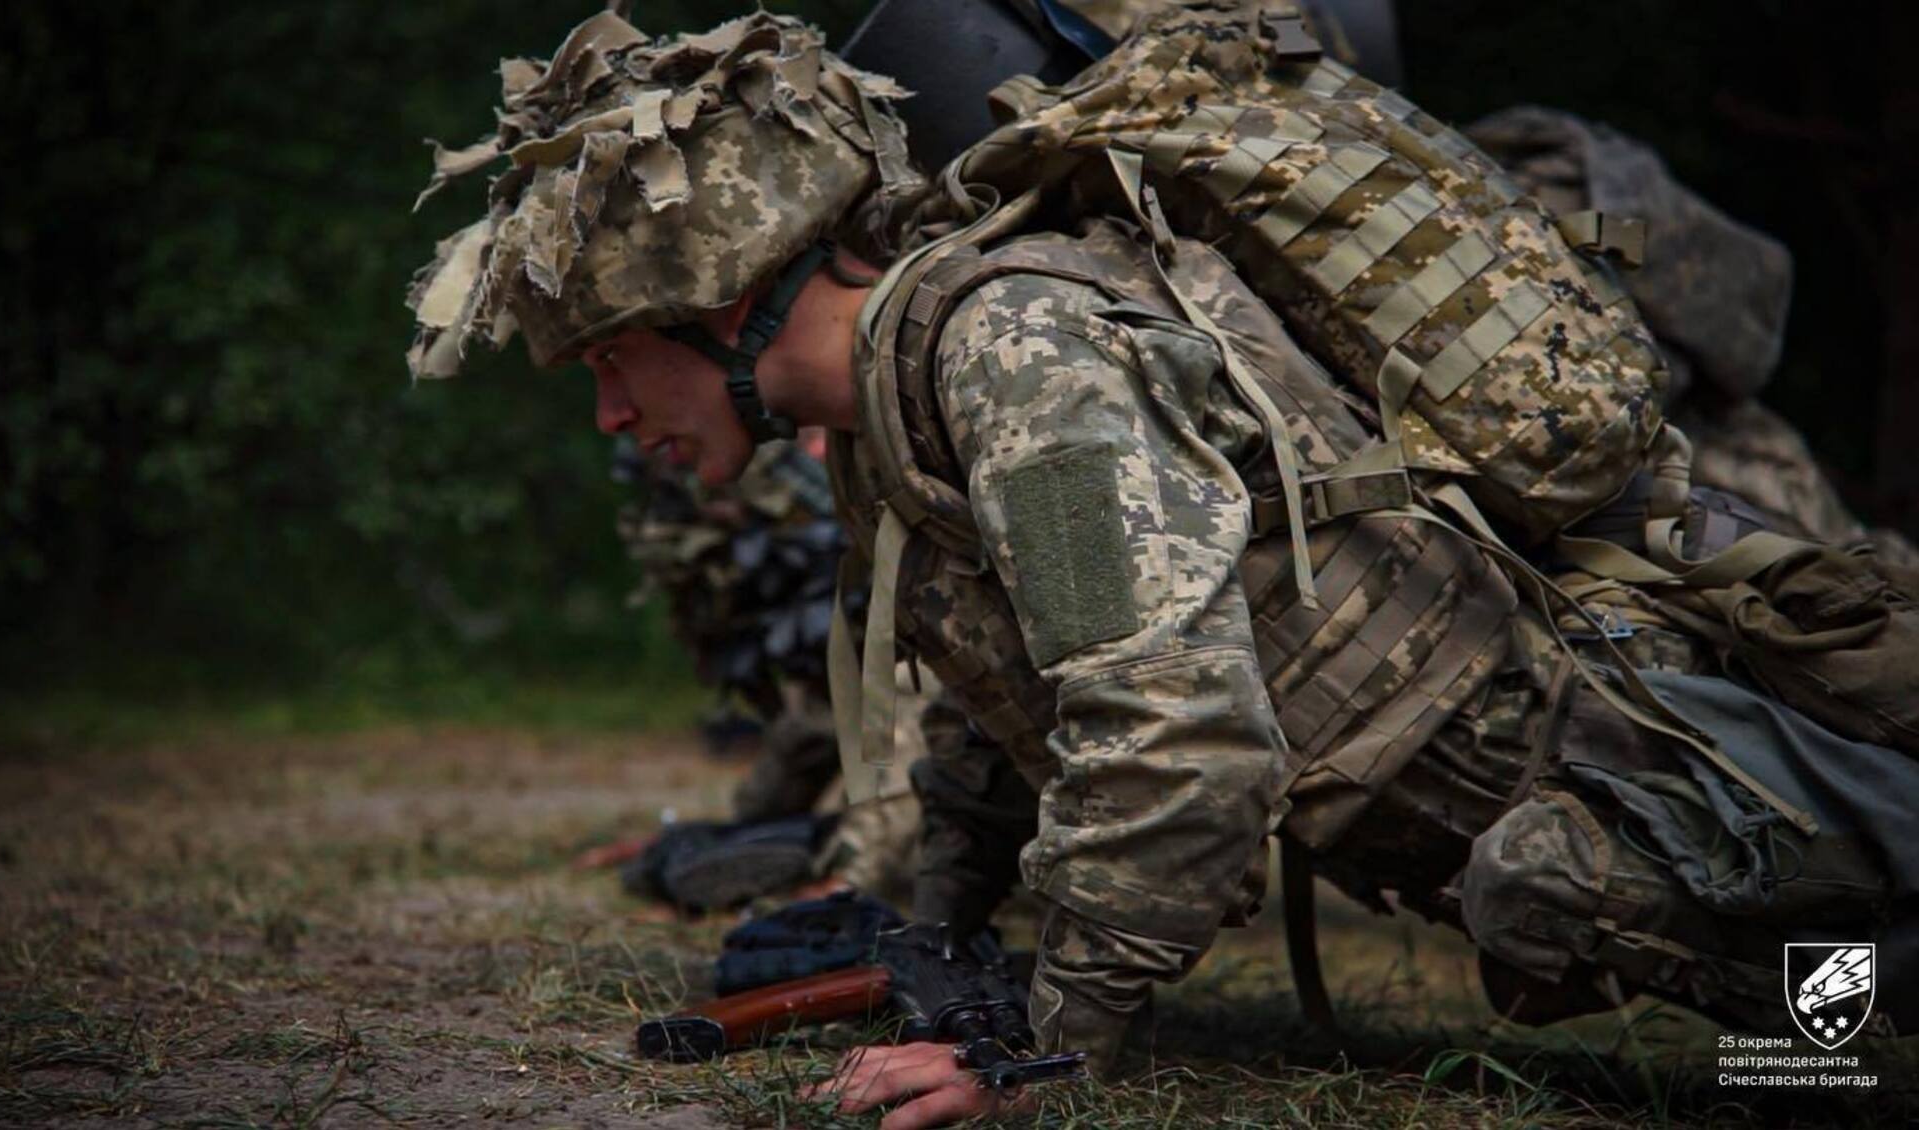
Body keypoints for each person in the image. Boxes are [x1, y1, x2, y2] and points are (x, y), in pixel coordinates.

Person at [406, 7, 1915, 1127]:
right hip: (1566, 827)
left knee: (1847, 1026)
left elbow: (1176, 732)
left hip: (1659, 788)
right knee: (1818, 1031)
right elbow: (1007, 712)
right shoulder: (896, 403)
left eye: (613, 363)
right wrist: (939, 933)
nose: (614, 415)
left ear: (718, 303)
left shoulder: (1010, 349)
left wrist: (1045, 1045)